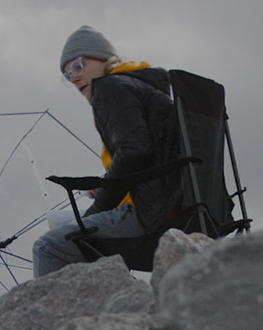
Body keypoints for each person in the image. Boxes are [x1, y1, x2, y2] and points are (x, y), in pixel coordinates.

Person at [33, 26, 182, 277]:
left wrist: (101, 203)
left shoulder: (110, 86)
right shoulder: (138, 85)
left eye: (78, 66)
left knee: (48, 247)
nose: (74, 79)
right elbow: (150, 156)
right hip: (175, 210)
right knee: (67, 232)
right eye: (67, 75)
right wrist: (106, 182)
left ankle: (61, 306)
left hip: (149, 215)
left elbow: (136, 150)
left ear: (103, 59)